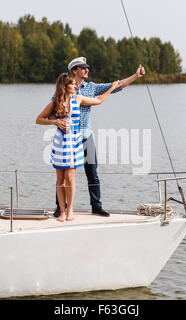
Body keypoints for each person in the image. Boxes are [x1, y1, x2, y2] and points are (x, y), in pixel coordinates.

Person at [53, 57, 145, 218]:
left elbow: (116, 86)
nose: (87, 70)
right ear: (75, 70)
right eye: (83, 68)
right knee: (64, 174)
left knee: (92, 172)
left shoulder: (91, 88)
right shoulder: (65, 87)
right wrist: (57, 122)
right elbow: (54, 108)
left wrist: (135, 76)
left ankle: (96, 206)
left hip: (86, 136)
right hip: (67, 139)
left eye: (87, 67)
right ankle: (60, 208)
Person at [36, 73, 120, 222]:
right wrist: (54, 123)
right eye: (73, 84)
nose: (76, 86)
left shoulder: (78, 99)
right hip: (60, 143)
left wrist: (111, 88)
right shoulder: (54, 103)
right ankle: (62, 211)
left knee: (70, 177)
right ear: (65, 86)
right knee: (60, 180)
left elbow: (98, 100)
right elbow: (39, 119)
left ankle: (70, 210)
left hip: (75, 142)